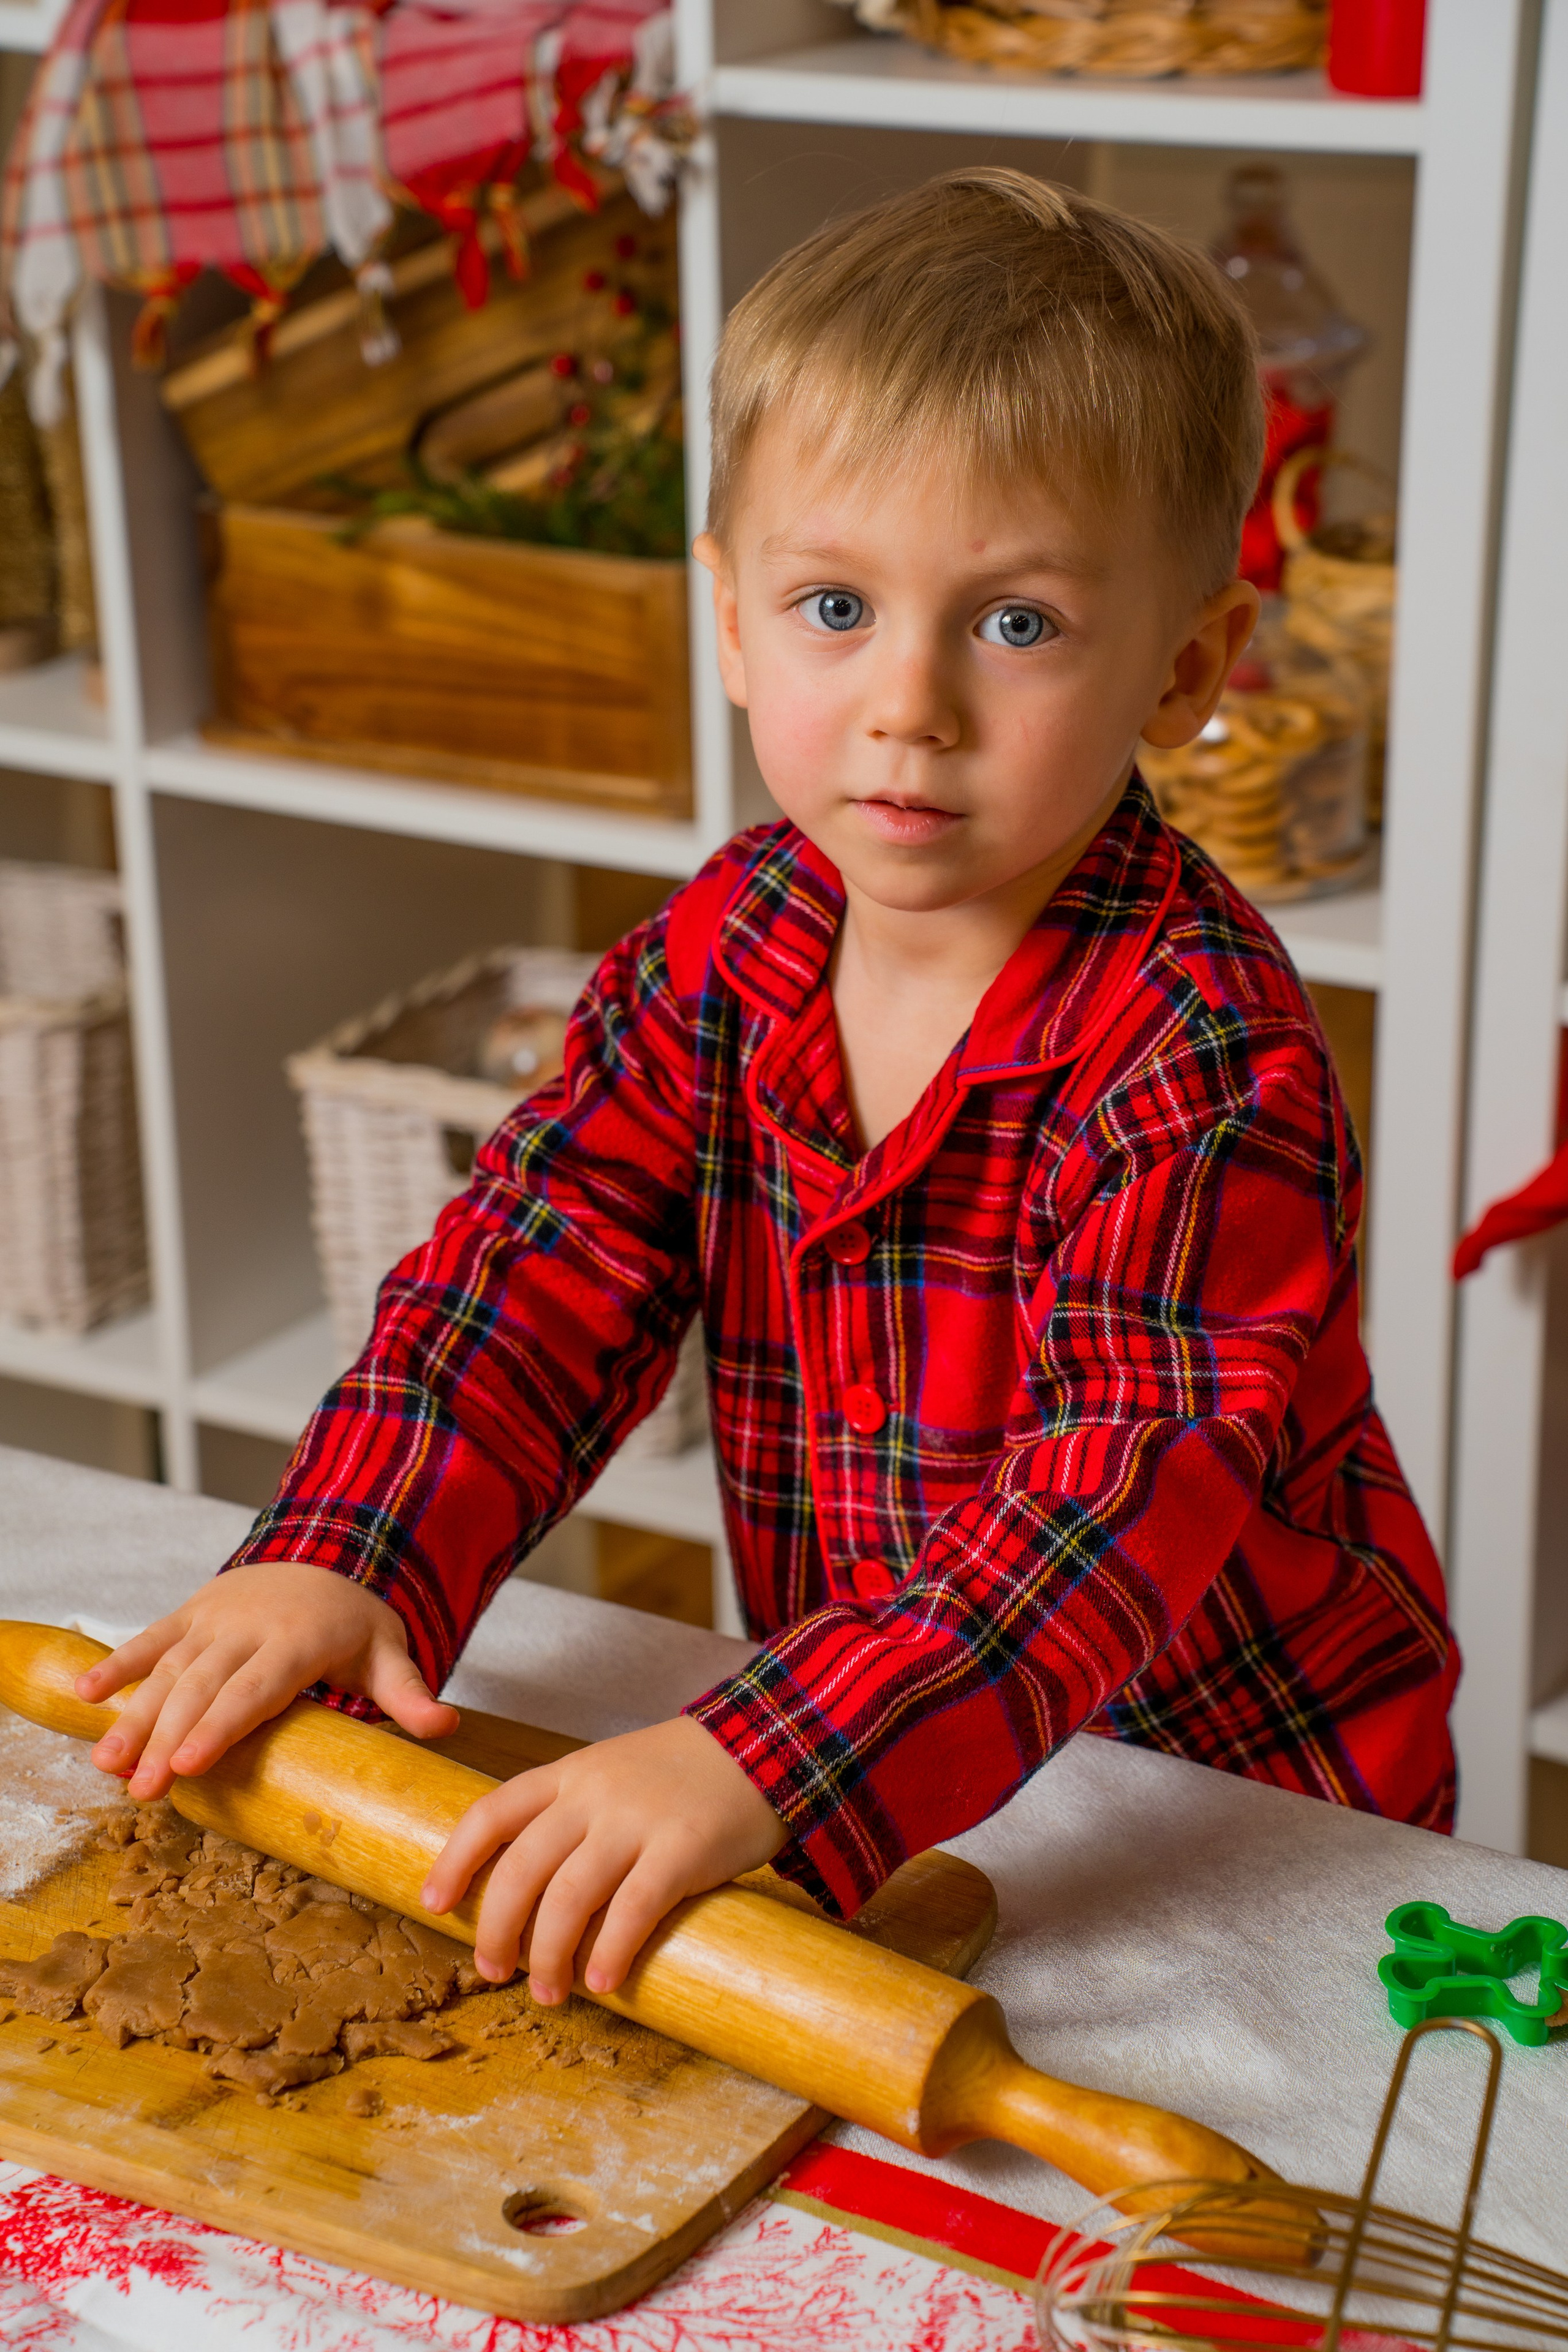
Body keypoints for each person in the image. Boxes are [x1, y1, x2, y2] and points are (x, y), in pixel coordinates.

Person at [78, 168, 1457, 2013]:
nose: (910, 704)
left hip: (1229, 1813)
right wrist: (356, 1550)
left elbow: (1105, 1510)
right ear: (728, 619)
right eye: (833, 603)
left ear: (1186, 670)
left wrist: (754, 1755)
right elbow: (535, 1277)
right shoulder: (722, 948)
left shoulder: (1207, 1060)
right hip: (876, 1753)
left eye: (1018, 625)